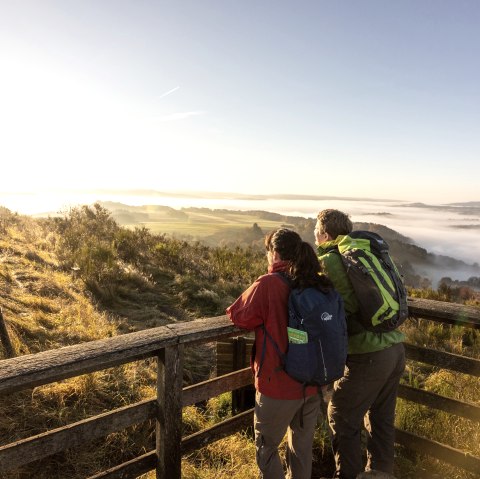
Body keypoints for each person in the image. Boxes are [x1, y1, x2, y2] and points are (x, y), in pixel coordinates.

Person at [226, 228, 333, 479]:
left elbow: (238, 315)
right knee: (301, 450)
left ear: (274, 253)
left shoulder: (269, 283)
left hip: (278, 385)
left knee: (266, 449)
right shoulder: (314, 281)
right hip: (311, 385)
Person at [315, 209, 406, 479]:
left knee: (341, 415)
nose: (316, 238)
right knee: (381, 418)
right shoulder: (363, 254)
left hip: (368, 355)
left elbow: (348, 305)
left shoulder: (332, 259)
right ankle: (380, 473)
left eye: (317, 233)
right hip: (394, 350)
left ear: (326, 234)